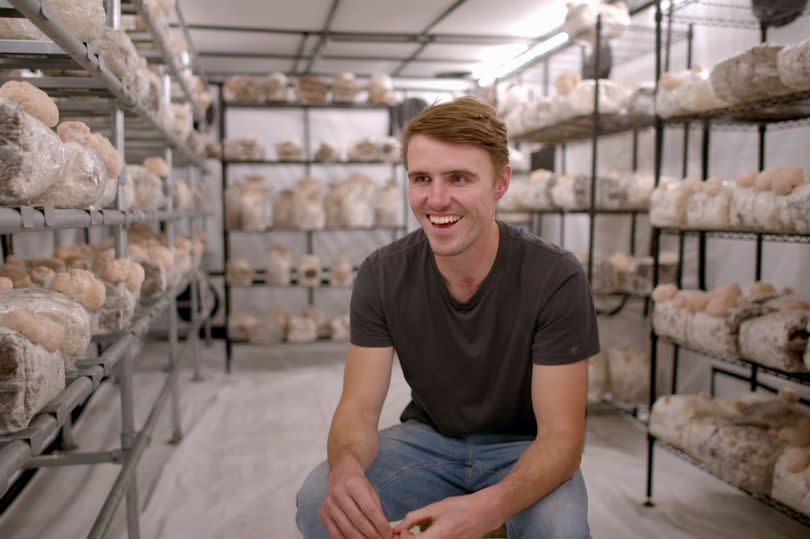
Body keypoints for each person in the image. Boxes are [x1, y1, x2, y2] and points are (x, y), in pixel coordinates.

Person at [296, 97, 598, 539]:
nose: (436, 200)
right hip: (429, 441)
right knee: (317, 501)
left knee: (559, 530)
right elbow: (358, 408)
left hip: (524, 449)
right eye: (422, 178)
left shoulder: (555, 276)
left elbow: (562, 438)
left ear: (501, 182)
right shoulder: (382, 275)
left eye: (459, 178)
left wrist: (486, 510)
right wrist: (345, 469)